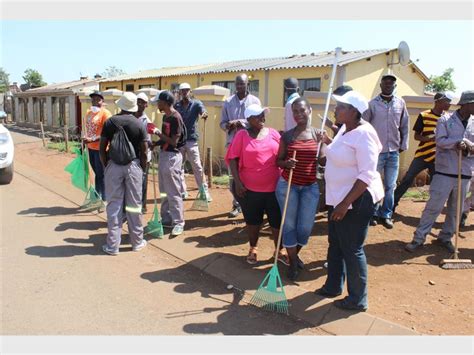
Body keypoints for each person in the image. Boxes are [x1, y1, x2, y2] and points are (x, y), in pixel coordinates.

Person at [315, 90, 384, 312]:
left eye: (341, 106)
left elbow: (366, 174)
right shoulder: (346, 128)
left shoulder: (365, 134)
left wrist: (345, 204)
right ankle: (333, 286)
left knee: (352, 248)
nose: (336, 109)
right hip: (339, 197)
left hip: (357, 199)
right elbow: (336, 154)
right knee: (336, 243)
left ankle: (357, 299)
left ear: (354, 112)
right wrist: (325, 141)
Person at [405, 90, 474, 253]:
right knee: (433, 207)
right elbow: (440, 141)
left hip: (465, 173)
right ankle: (419, 238)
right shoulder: (445, 119)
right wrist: (457, 143)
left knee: (456, 210)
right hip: (444, 172)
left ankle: (446, 237)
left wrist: (469, 147)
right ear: (466, 104)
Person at [225, 104, 287, 265]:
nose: (262, 118)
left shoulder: (273, 133)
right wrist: (237, 183)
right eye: (258, 116)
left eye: (263, 115)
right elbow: (233, 159)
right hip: (250, 190)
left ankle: (279, 250)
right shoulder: (241, 136)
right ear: (249, 119)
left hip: (275, 188)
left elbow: (283, 153)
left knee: (276, 221)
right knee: (253, 221)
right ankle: (253, 248)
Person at [276, 97, 324, 281]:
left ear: (310, 110)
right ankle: (294, 262)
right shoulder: (288, 136)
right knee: (289, 226)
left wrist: (324, 143)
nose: (298, 114)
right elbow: (277, 161)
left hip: (310, 187)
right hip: (288, 187)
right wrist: (286, 163)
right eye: (295, 111)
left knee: (305, 228)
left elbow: (323, 161)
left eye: (302, 110)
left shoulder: (318, 135)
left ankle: (292, 255)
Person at [99, 92, 148, 255]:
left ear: (120, 105)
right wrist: (141, 168)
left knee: (114, 205)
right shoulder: (139, 124)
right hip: (133, 166)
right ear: (133, 107)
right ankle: (137, 242)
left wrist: (107, 165)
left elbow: (102, 148)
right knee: (134, 205)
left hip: (114, 165)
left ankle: (113, 246)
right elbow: (144, 150)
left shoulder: (110, 122)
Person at [393, 92, 453, 212]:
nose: (449, 104)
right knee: (407, 180)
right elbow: (416, 136)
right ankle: (392, 204)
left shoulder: (448, 118)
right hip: (422, 155)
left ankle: (431, 210)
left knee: (436, 185)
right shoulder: (424, 115)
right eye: (446, 101)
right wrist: (429, 139)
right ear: (437, 101)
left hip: (438, 157)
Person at [363, 74, 409, 229]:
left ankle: (386, 214)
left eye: (391, 83)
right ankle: (373, 213)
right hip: (376, 151)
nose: (388, 85)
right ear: (381, 85)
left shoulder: (400, 103)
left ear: (394, 86)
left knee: (390, 185)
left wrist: (404, 144)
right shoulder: (372, 105)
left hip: (394, 151)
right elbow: (364, 125)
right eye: (386, 83)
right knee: (374, 183)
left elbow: (404, 126)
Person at [220, 74, 261, 218]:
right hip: (233, 144)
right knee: (234, 175)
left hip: (250, 144)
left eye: (242, 84)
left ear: (247, 84)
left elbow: (258, 121)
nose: (239, 87)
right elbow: (222, 123)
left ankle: (249, 203)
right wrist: (228, 125)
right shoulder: (228, 102)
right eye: (237, 84)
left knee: (248, 173)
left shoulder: (255, 101)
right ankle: (237, 204)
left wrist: (240, 122)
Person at [152, 90, 186, 237]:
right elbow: (166, 137)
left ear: (165, 103)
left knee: (173, 191)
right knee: (164, 190)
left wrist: (158, 133)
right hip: (165, 155)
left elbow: (173, 141)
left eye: (158, 101)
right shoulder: (166, 116)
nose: (157, 104)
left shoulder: (175, 118)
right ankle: (166, 219)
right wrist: (155, 143)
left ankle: (179, 222)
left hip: (173, 157)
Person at [175, 82, 211, 202]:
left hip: (191, 139)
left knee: (197, 166)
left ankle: (203, 191)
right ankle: (182, 191)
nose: (184, 92)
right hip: (179, 140)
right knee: (179, 166)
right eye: (182, 91)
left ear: (190, 91)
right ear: (180, 92)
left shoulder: (196, 104)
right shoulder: (177, 106)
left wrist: (204, 114)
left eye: (186, 90)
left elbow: (202, 111)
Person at [83, 91, 112, 201]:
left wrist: (93, 139)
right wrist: (85, 141)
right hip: (90, 148)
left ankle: (104, 198)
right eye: (93, 99)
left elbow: (108, 133)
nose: (95, 102)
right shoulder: (88, 113)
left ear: (102, 101)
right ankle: (97, 195)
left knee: (102, 174)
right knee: (96, 173)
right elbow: (86, 129)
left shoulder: (106, 114)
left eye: (97, 99)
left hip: (101, 148)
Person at [135, 92, 153, 212]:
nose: (140, 104)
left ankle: (143, 205)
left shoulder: (147, 121)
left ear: (146, 105)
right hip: (132, 154)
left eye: (142, 102)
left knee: (143, 181)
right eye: (138, 101)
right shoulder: (130, 117)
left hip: (144, 155)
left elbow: (148, 141)